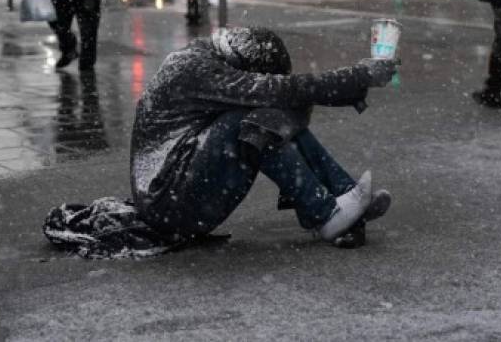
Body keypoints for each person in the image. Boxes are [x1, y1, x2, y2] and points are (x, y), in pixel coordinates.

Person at [130, 26, 399, 247]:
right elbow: (278, 90)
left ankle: (345, 197)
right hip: (167, 204)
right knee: (249, 123)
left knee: (268, 115)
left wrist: (355, 84)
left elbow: (282, 95)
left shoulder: (208, 58)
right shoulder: (193, 69)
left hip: (175, 192)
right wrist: (358, 76)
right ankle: (326, 215)